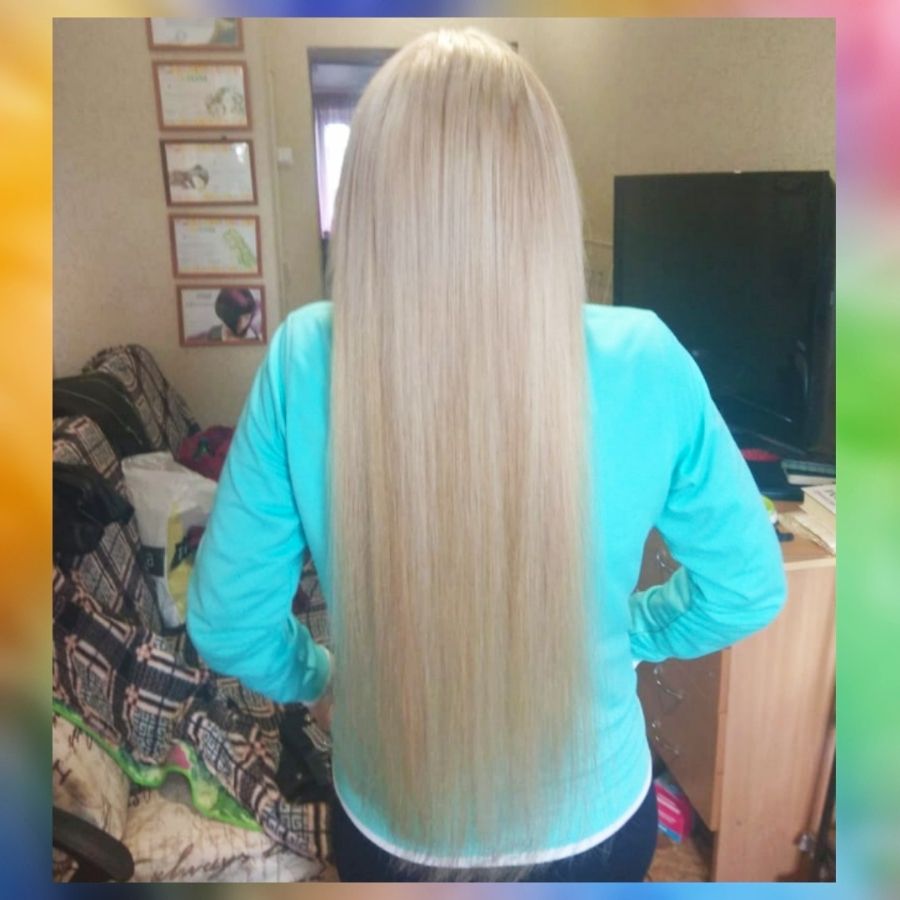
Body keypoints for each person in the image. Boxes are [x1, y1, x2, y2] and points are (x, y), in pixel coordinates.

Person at [187, 29, 786, 882]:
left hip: (391, 829)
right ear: (545, 196)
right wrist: (632, 632)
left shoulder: (303, 360)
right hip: (594, 826)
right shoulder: (644, 360)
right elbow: (747, 587)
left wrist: (319, 677)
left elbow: (228, 624)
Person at [192, 288, 261, 342]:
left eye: (246, 317)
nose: (242, 323)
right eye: (236, 318)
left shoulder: (257, 337)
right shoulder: (207, 337)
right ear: (225, 316)